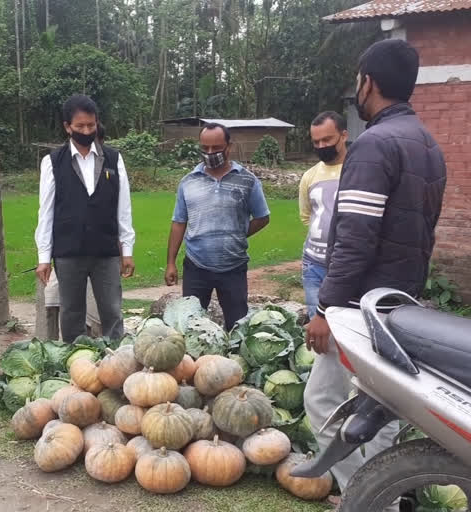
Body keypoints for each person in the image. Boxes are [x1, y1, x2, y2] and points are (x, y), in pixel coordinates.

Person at [303, 39, 446, 509]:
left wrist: (325, 308)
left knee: (322, 402)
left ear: (369, 82)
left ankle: (369, 497)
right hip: (400, 306)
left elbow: (356, 240)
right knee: (378, 409)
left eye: (357, 80)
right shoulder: (427, 144)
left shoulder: (374, 145)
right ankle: (385, 496)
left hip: (360, 307)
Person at [34, 94, 136, 342]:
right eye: (80, 126)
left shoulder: (113, 158)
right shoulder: (52, 162)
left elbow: (123, 207)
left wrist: (127, 250)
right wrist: (43, 258)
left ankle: (116, 362)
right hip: (68, 250)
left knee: (112, 310)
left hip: (106, 249)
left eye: (91, 125)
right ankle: (74, 362)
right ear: (67, 127)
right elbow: (46, 211)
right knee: (71, 312)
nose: (86, 130)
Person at [165, 123, 270, 330]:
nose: (210, 153)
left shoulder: (247, 180)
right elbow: (179, 222)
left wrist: (238, 235)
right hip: (196, 266)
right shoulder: (188, 182)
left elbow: (262, 217)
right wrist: (171, 262)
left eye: (216, 148)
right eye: (205, 148)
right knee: (191, 326)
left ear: (229, 147)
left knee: (238, 326)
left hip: (233, 266)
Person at [299, 111, 347, 318]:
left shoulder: (357, 170)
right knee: (315, 323)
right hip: (313, 264)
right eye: (316, 142)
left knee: (346, 325)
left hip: (345, 266)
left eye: (327, 140)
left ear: (343, 136)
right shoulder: (310, 176)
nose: (321, 147)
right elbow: (306, 215)